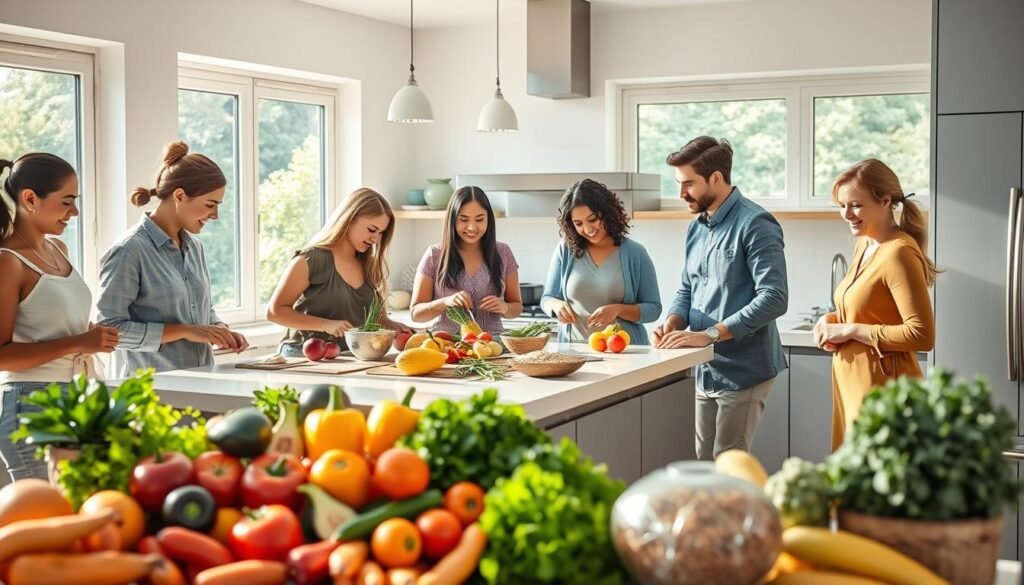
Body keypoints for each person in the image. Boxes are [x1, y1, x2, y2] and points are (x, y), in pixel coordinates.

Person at [653, 136, 788, 461]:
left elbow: (774, 297)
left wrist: (709, 335)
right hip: (705, 367)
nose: (681, 193)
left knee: (729, 465)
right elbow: (688, 288)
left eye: (688, 184)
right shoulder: (697, 228)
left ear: (716, 177)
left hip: (744, 369)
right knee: (702, 462)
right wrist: (672, 321)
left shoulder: (755, 223)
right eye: (678, 184)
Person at [0, 153, 119, 480]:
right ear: (30, 199)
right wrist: (79, 341)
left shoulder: (58, 250)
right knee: (45, 521)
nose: (75, 212)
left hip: (77, 397)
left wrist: (88, 335)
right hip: (33, 406)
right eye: (67, 201)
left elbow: (53, 326)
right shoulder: (8, 262)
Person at [812, 159, 936, 450]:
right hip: (853, 385)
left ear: (885, 201)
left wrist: (851, 330)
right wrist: (830, 320)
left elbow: (922, 335)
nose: (847, 214)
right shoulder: (866, 244)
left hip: (883, 391)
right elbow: (865, 307)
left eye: (855, 205)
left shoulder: (899, 253)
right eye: (841, 206)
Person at [96, 142, 248, 378]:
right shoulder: (130, 250)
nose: (215, 215)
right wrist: (184, 331)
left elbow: (202, 309)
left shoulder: (195, 248)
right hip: (147, 392)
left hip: (200, 382)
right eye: (210, 205)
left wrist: (218, 329)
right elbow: (108, 330)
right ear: (180, 195)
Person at [267, 188, 411, 356]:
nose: (376, 239)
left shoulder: (369, 265)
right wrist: (325, 324)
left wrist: (393, 326)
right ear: (349, 219)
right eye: (372, 230)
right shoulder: (311, 260)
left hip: (345, 358)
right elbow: (275, 312)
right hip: (303, 357)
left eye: (381, 233)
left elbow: (377, 318)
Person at [541, 178, 661, 345]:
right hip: (573, 352)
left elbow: (654, 309)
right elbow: (547, 298)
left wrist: (618, 310)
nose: (588, 229)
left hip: (627, 352)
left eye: (592, 219)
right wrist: (556, 305)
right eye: (578, 223)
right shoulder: (565, 250)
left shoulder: (635, 253)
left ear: (607, 213)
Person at [410, 186, 522, 334]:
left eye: (480, 219)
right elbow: (415, 314)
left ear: (489, 219)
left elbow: (517, 307)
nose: (472, 227)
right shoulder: (434, 255)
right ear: (452, 219)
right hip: (447, 346)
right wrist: (445, 302)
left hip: (492, 344)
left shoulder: (503, 252)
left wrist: (505, 308)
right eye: (463, 219)